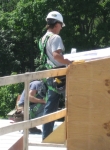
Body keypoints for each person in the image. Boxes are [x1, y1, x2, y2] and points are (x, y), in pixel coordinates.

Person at [39, 11, 73, 140]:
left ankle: (46, 136)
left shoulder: (43, 38)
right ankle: (68, 134)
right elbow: (57, 56)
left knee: (51, 105)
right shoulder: (55, 38)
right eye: (61, 25)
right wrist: (70, 62)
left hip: (50, 75)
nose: (61, 28)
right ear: (56, 24)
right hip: (59, 74)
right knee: (72, 102)